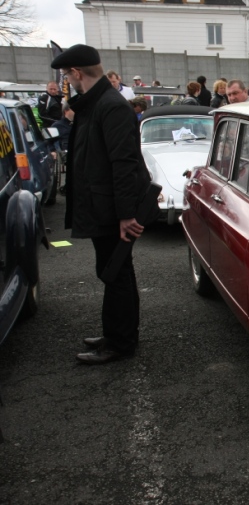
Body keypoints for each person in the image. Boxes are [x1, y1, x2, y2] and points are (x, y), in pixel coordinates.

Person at [51, 44, 155, 365]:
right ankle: (115, 334)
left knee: (115, 273)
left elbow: (123, 163)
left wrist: (125, 215)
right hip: (103, 206)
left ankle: (120, 342)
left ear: (78, 73)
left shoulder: (110, 107)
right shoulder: (95, 105)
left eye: (68, 75)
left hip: (110, 210)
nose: (68, 80)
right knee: (112, 271)